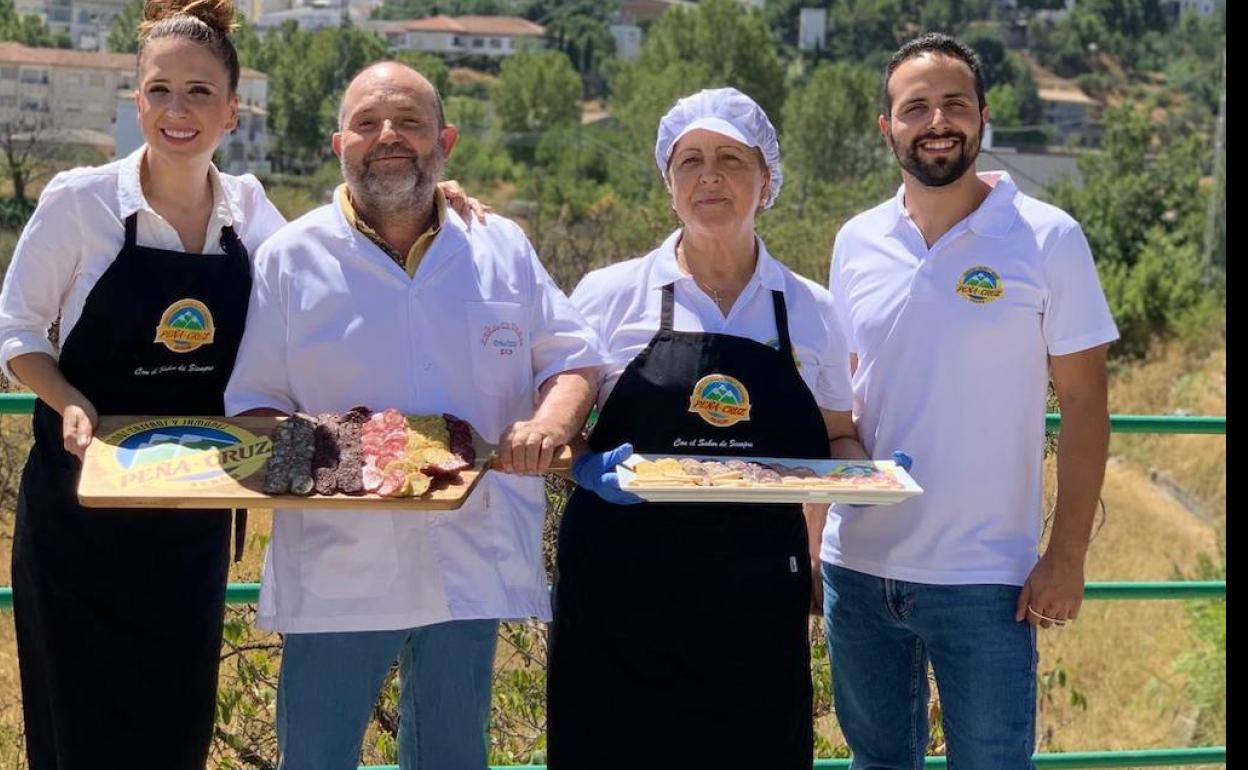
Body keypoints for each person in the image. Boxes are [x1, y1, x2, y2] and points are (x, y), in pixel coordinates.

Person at [222, 60, 607, 770]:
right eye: (366, 124)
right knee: (315, 760)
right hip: (340, 571)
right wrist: (342, 456)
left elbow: (574, 359)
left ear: (445, 141)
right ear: (339, 145)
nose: (387, 137)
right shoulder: (290, 258)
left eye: (409, 122)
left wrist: (551, 424)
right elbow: (254, 406)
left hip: (470, 557)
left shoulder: (500, 245)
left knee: (453, 757)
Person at [818, 33, 1118, 769]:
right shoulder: (856, 241)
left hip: (987, 580)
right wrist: (816, 540)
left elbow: (1085, 404)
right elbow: (841, 405)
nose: (937, 121)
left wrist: (1067, 556)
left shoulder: (1047, 238)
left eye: (955, 103)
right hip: (858, 570)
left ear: (983, 116)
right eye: (915, 107)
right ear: (887, 127)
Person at [0, 0, 288, 766]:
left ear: (231, 110)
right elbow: (18, 333)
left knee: (174, 734)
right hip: (77, 519)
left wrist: (439, 207)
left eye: (198, 92)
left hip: (190, 525)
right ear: (137, 102)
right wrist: (68, 401)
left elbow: (322, 281)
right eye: (160, 90)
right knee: (78, 736)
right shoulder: (80, 202)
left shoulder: (251, 211)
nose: (177, 110)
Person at [547, 87, 869, 769]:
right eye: (689, 161)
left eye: (730, 159)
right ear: (669, 186)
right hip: (618, 593)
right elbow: (559, 430)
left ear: (767, 181)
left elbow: (836, 438)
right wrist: (584, 467)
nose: (709, 177)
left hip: (756, 597)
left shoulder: (811, 310)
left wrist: (863, 480)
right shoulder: (609, 295)